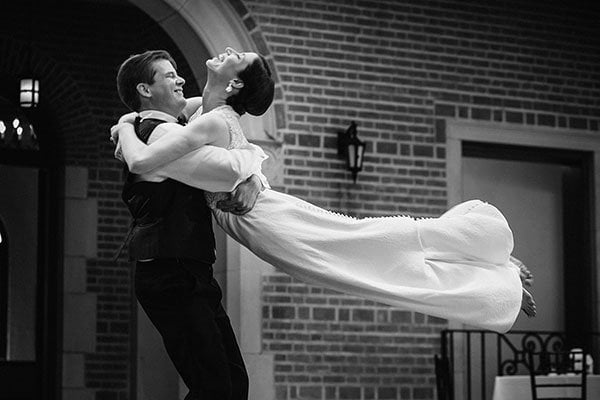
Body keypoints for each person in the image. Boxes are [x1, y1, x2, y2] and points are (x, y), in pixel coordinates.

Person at [112, 47, 536, 335]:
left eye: (236, 57)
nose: (225, 53)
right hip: (255, 219)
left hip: (265, 219)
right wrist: (252, 172)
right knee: (361, 260)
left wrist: (125, 125)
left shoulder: (206, 117)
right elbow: (215, 144)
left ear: (236, 84)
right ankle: (490, 273)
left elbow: (145, 161)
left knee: (366, 248)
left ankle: (488, 261)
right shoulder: (199, 110)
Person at [115, 49, 269, 400]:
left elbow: (215, 108)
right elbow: (229, 169)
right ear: (145, 89)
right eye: (169, 76)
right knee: (214, 388)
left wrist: (256, 180)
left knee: (233, 384)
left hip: (191, 271)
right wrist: (254, 169)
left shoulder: (178, 127)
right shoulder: (156, 135)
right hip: (169, 273)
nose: (180, 78)